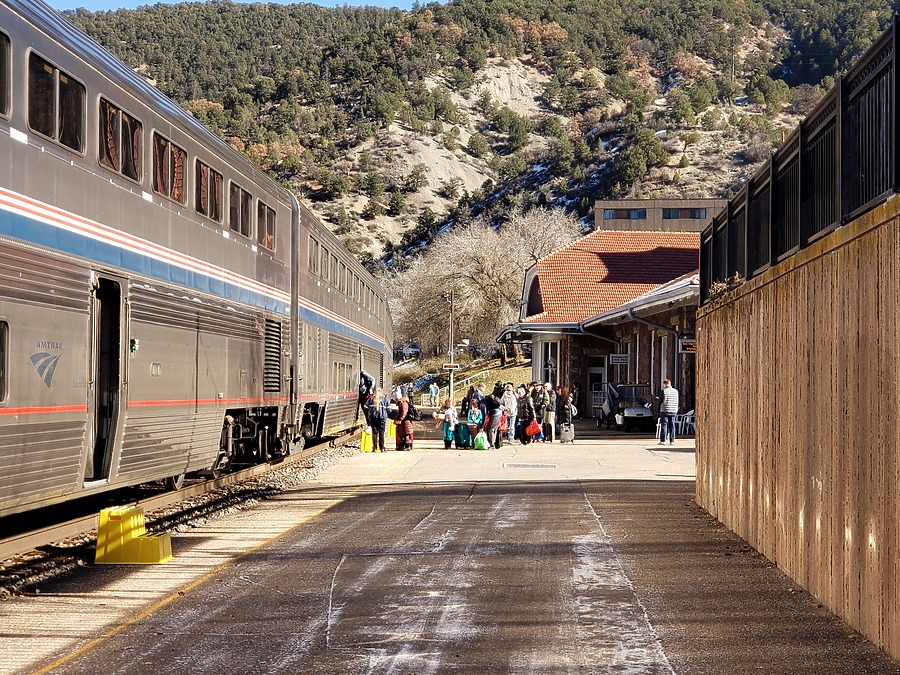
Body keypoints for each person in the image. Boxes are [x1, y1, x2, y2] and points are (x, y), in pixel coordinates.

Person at [368, 387, 391, 452]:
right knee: (381, 433)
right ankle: (382, 448)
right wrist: (385, 413)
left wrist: (370, 413)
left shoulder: (371, 399)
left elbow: (366, 407)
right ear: (381, 392)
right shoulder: (385, 399)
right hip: (382, 418)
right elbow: (389, 410)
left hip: (373, 418)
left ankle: (374, 448)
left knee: (374, 433)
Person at [657, 378, 679, 445]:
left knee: (664, 425)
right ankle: (672, 441)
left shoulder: (663, 391)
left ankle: (663, 440)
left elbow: (660, 401)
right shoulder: (676, 391)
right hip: (673, 410)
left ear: (665, 384)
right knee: (672, 425)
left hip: (665, 410)